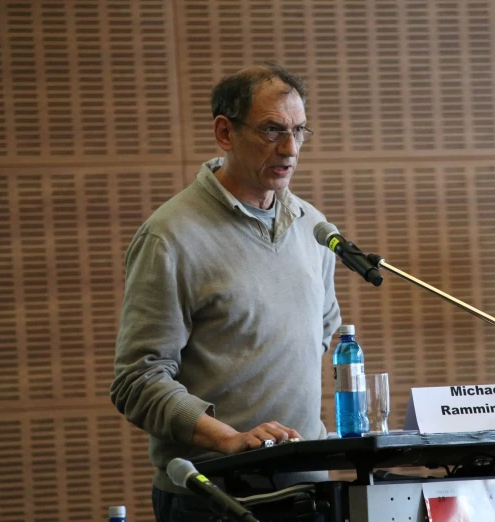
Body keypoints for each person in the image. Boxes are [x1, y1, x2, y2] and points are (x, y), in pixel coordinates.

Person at [110, 64, 341, 522]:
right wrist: (228, 437)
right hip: (214, 496)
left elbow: (323, 326)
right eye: (273, 130)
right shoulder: (170, 236)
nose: (290, 149)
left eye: (299, 131)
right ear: (225, 133)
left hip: (307, 485)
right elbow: (137, 380)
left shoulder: (312, 225)